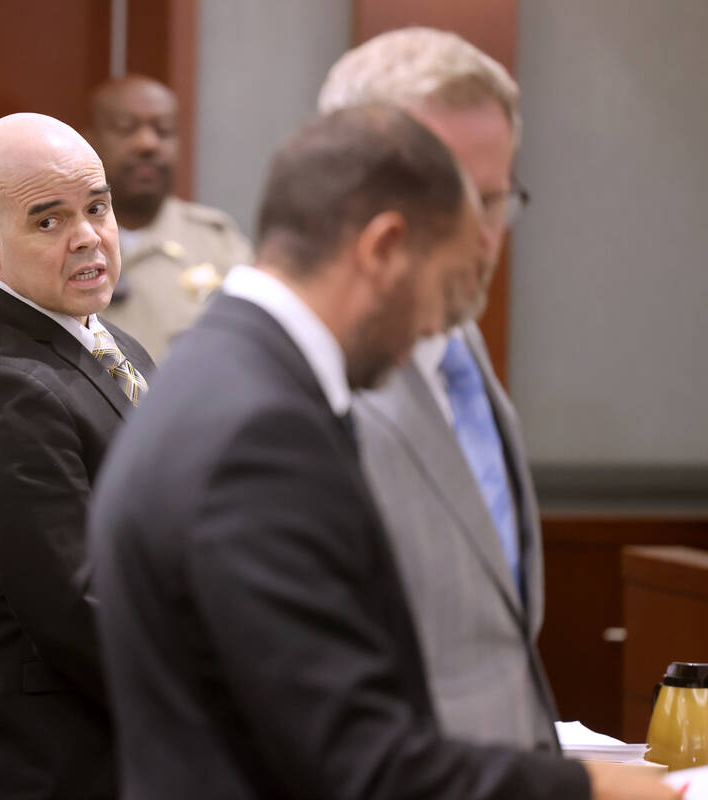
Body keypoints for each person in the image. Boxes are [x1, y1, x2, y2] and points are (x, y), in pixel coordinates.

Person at [87, 105, 678, 800]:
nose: (439, 328)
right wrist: (593, 790)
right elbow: (355, 765)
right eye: (446, 290)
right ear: (384, 248)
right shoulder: (260, 433)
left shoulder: (221, 373)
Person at [318, 27, 556, 750]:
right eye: (455, 199)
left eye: (495, 199)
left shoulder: (462, 343)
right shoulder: (308, 388)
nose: (483, 238)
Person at [0, 112, 155, 799]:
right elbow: (80, 610)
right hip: (57, 765)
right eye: (48, 220)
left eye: (97, 207)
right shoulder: (3, 387)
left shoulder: (108, 337)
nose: (89, 236)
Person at [0, 75, 250, 384]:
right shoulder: (14, 250)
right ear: (91, 139)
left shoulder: (219, 242)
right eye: (127, 129)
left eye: (163, 131)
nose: (147, 143)